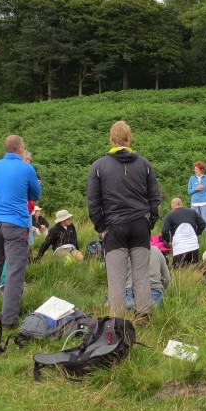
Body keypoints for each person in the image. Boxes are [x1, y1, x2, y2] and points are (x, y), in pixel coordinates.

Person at [87, 121, 161, 321]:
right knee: (141, 275)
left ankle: (117, 322)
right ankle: (143, 316)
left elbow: (93, 202)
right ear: (130, 139)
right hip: (139, 225)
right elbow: (155, 198)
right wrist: (149, 222)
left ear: (111, 140)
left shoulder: (99, 166)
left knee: (117, 278)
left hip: (114, 227)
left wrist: (101, 227)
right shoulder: (144, 164)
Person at [0, 135, 40, 328]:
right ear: (20, 148)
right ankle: (9, 319)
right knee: (14, 272)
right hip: (16, 224)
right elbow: (35, 194)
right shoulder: (26, 168)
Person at [161, 197, 206, 267]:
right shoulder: (192, 212)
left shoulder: (170, 215)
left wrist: (169, 241)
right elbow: (203, 224)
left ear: (172, 206)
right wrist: (196, 234)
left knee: (179, 271)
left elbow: (164, 230)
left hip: (179, 248)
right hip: (193, 246)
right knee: (194, 269)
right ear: (181, 204)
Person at [125, 246, 170, 310]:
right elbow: (166, 278)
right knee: (153, 307)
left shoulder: (125, 252)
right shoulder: (156, 250)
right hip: (154, 289)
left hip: (130, 289)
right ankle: (150, 305)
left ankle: (130, 303)